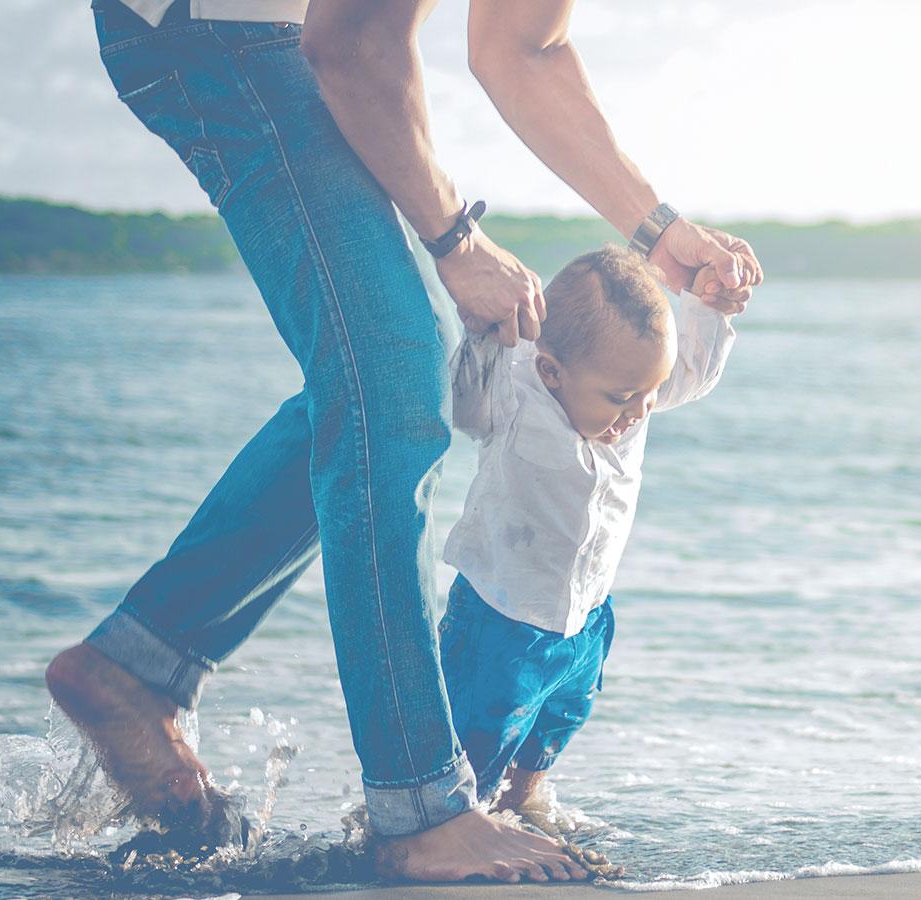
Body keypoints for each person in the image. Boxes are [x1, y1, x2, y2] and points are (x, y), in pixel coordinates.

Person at [45, 0, 763, 885]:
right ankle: (419, 808)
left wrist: (659, 232)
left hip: (261, 34)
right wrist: (457, 240)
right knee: (393, 372)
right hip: (219, 26)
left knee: (389, 378)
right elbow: (353, 42)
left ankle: (137, 663)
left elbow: (528, 46)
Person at [441, 246, 742, 827]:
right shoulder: (513, 392)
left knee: (556, 723)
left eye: (650, 392)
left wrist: (710, 307)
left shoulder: (631, 387)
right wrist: (482, 332)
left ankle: (524, 807)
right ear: (552, 371)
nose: (640, 411)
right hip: (500, 619)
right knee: (477, 737)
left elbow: (690, 372)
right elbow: (463, 403)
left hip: (588, 615)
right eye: (622, 399)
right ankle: (458, 827)